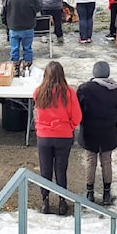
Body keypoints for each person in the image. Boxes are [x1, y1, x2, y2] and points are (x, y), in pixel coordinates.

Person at [34, 61, 82, 216]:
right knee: (61, 169)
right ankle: (62, 201)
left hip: (44, 136)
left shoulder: (38, 92)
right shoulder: (69, 93)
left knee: (45, 169)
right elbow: (77, 116)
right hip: (63, 135)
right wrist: (70, 126)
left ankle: (45, 201)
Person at [77, 61, 117, 206]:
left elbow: (78, 110)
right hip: (108, 131)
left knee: (90, 161)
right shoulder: (115, 89)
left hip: (89, 131)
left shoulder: (84, 89)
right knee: (106, 161)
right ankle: (106, 193)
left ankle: (90, 193)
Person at [2, 0, 41, 75]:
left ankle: (15, 68)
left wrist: (6, 23)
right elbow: (38, 8)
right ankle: (26, 67)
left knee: (14, 48)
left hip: (14, 27)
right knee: (27, 48)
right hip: (28, 27)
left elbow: (4, 12)